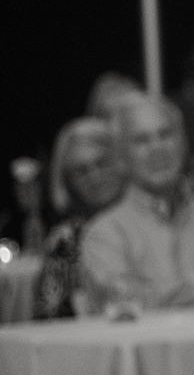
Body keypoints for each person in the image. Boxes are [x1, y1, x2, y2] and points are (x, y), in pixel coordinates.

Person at [80, 93, 194, 314]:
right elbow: (127, 302)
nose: (157, 149)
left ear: (184, 143)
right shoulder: (104, 234)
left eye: (165, 135)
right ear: (121, 156)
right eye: (141, 140)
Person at [34, 117, 126, 318]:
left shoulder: (151, 223)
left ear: (122, 161)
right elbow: (48, 321)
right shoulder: (64, 243)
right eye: (81, 171)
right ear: (68, 182)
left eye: (102, 163)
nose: (95, 177)